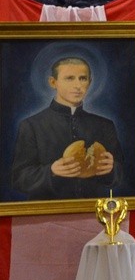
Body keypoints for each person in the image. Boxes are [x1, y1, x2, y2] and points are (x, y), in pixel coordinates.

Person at [11, 56, 123, 199]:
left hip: (93, 212)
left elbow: (120, 174)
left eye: (83, 78)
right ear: (53, 82)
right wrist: (51, 171)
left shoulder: (104, 125)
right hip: (46, 214)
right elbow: (19, 178)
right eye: (69, 78)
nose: (77, 85)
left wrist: (111, 169)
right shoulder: (31, 125)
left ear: (90, 82)